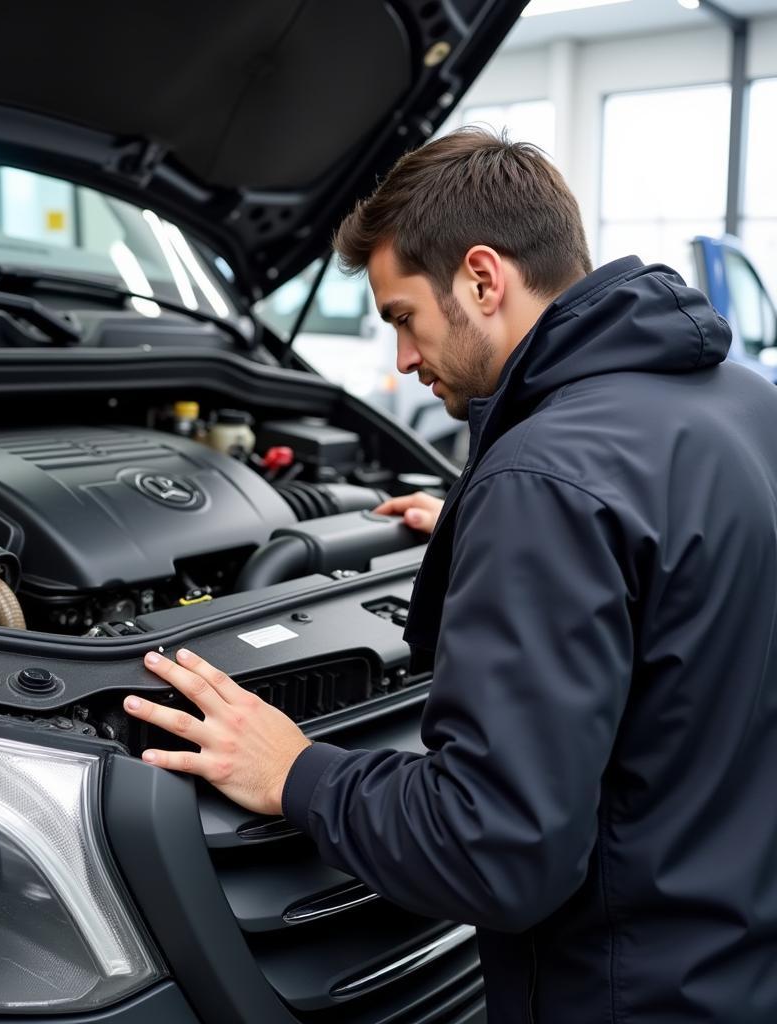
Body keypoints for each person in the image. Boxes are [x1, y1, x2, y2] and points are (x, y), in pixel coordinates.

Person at [123, 128, 777, 1022]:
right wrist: (489, 528)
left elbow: (497, 850)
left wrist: (298, 773)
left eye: (402, 318)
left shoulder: (548, 486)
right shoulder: (739, 404)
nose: (400, 359)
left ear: (481, 276)